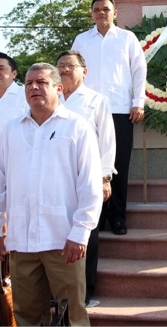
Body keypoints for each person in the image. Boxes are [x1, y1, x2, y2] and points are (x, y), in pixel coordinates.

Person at [0, 63, 103, 326]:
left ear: (59, 88)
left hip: (63, 242)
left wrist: (80, 232)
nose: (34, 88)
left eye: (41, 82)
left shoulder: (77, 127)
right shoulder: (11, 130)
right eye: (28, 83)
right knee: (26, 316)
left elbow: (90, 185)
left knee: (71, 315)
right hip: (21, 243)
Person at [71, 0, 147, 235]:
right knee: (87, 164)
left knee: (118, 165)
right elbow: (70, 71)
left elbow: (138, 70)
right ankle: (94, 218)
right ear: (92, 14)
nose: (101, 13)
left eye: (106, 9)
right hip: (86, 112)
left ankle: (116, 217)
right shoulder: (81, 40)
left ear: (116, 13)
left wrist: (138, 102)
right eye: (96, 10)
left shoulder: (127, 38)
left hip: (120, 109)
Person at [57, 50, 116, 308]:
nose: (65, 70)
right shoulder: (51, 98)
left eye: (70, 65)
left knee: (86, 237)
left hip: (87, 176)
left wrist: (104, 177)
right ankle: (57, 294)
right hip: (55, 176)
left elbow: (107, 141)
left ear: (84, 71)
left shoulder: (96, 100)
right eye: (60, 66)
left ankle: (85, 294)